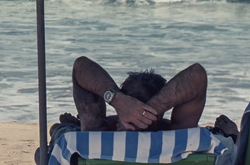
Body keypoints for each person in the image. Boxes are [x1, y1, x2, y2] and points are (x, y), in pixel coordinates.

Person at [52, 54, 210, 138]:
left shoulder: (98, 132)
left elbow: (81, 66)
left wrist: (118, 101)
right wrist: (153, 110)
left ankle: (71, 126)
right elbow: (197, 75)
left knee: (59, 131)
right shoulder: (176, 135)